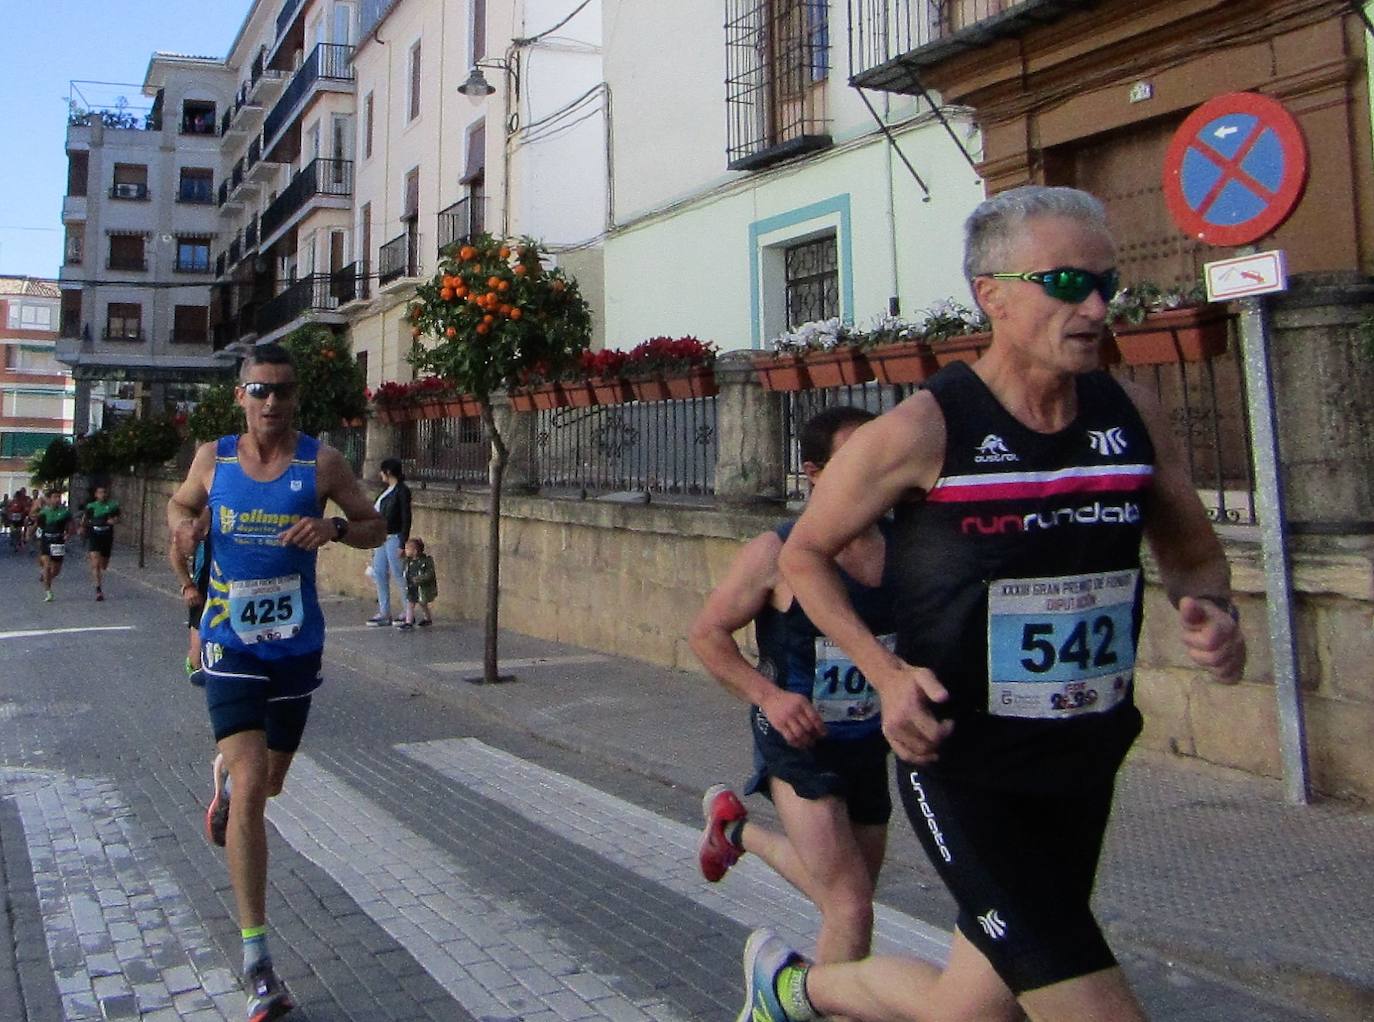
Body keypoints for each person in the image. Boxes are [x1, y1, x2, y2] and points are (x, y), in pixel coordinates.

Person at [738, 186, 1247, 1022]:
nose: (1095, 307)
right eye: (1067, 284)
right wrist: (885, 674)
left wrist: (1214, 612)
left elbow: (1192, 555)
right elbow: (805, 553)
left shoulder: (1131, 414)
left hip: (1084, 759)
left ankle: (792, 988)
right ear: (993, 296)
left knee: (971, 1010)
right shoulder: (925, 428)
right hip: (963, 766)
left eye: (1105, 284)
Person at [167, 342, 385, 1022]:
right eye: (259, 390)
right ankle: (258, 960)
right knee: (255, 778)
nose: (271, 401)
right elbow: (178, 507)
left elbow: (377, 525)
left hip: (295, 646)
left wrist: (334, 527)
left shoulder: (322, 463)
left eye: (282, 390)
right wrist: (187, 528)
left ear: (295, 397)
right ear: (240, 395)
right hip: (229, 638)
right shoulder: (214, 459)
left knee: (270, 782)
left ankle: (230, 786)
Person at [689, 406, 895, 977]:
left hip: (868, 743)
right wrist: (770, 698)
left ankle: (736, 831)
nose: (871, 473)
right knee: (851, 908)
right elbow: (706, 635)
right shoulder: (775, 552)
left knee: (851, 900)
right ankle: (793, 999)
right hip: (798, 744)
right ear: (814, 472)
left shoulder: (904, 545)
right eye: (854, 459)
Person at [365, 457, 412, 626]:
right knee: (379, 573)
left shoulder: (402, 491)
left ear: (389, 472)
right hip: (382, 537)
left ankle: (408, 611)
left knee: (399, 574)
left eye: (382, 471)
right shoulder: (387, 491)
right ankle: (384, 611)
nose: (380, 474)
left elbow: (406, 517)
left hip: (394, 537)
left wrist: (402, 542)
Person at [170, 507, 212, 684]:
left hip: (241, 590)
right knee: (198, 661)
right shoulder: (208, 509)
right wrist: (187, 586)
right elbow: (176, 551)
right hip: (205, 587)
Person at [81, 483, 121, 600]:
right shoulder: (91, 506)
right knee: (96, 564)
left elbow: (118, 518)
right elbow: (85, 518)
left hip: (107, 536)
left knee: (104, 565)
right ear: (96, 495)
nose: (102, 495)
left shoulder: (113, 506)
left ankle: (99, 570)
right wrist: (82, 528)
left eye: (104, 492)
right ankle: (98, 590)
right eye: (100, 493)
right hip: (94, 535)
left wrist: (113, 521)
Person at [34, 490, 74, 602]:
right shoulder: (44, 513)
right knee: (47, 566)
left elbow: (71, 526)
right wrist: (29, 534)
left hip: (58, 541)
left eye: (59, 497)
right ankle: (48, 592)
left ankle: (47, 578)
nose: (57, 499)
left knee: (56, 570)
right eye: (55, 497)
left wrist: (68, 534)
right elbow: (38, 526)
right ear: (49, 499)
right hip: (46, 540)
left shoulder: (65, 512)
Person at [397, 536, 436, 631]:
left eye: (407, 549)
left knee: (423, 603)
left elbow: (430, 574)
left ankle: (427, 618)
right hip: (411, 586)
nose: (405, 551)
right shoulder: (408, 561)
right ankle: (409, 621)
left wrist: (420, 578)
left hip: (421, 587)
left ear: (414, 551)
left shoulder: (425, 561)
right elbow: (404, 569)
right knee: (410, 603)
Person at [6, 487, 30, 552]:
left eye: (18, 496)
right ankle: (13, 542)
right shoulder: (11, 502)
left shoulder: (22, 502)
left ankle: (17, 544)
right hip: (12, 519)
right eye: (16, 496)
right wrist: (9, 515)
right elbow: (7, 509)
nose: (16, 497)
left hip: (19, 520)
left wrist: (22, 514)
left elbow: (25, 510)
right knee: (13, 532)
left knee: (18, 532)